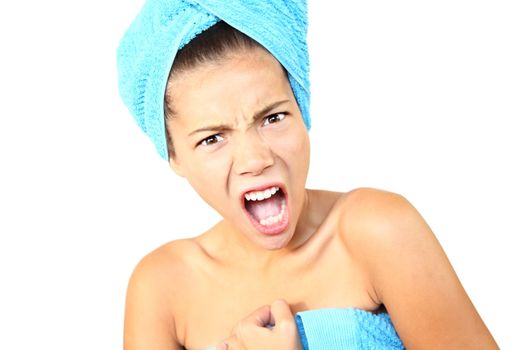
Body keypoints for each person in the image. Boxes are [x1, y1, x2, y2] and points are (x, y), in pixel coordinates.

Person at [117, 1, 499, 349]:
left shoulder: (379, 231)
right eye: (212, 138)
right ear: (175, 157)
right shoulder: (161, 289)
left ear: (302, 110)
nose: (255, 159)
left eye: (272, 118)